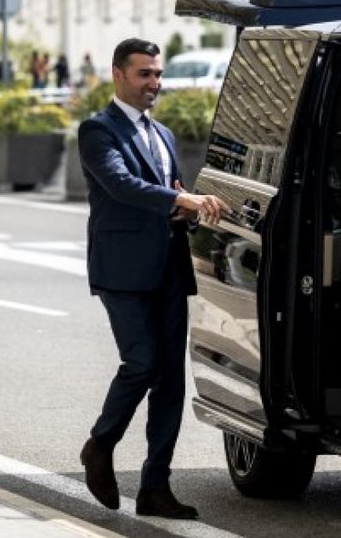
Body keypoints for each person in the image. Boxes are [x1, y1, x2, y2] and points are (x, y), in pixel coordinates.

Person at [76, 38, 228, 520]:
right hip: (121, 270)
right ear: (118, 74)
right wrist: (179, 200)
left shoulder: (161, 134)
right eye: (144, 74)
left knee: (170, 382)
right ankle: (100, 444)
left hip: (167, 268)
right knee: (140, 363)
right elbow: (121, 184)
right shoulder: (97, 131)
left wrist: (192, 209)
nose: (154, 84)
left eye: (158, 75)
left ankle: (154, 488)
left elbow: (171, 194)